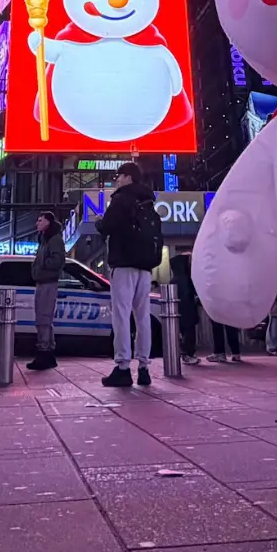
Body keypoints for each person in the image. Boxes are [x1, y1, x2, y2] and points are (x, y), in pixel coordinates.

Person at [96, 163, 161, 387]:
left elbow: (106, 227)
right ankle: (144, 368)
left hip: (123, 264)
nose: (117, 180)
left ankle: (123, 367)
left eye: (119, 176)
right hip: (145, 266)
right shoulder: (148, 202)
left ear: (128, 177)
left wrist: (98, 222)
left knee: (121, 316)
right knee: (142, 317)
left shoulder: (121, 199)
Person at [26, 209, 65, 371]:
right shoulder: (45, 239)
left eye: (40, 220)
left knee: (43, 319)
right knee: (44, 320)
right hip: (43, 281)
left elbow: (58, 261)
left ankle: (44, 353)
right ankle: (47, 353)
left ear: (48, 222)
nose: (37, 223)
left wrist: (41, 266)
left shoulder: (53, 239)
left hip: (48, 282)